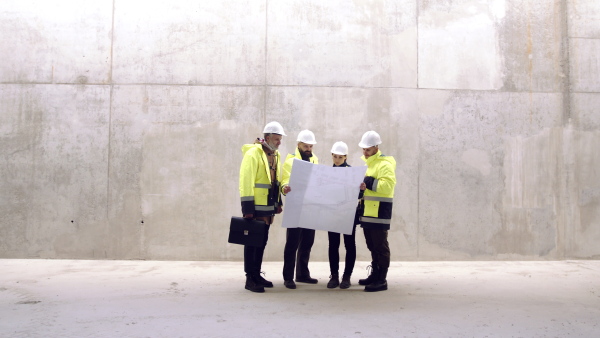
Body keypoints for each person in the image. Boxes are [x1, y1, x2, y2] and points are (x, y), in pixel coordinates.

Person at [239, 121, 291, 293]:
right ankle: (250, 279)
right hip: (256, 208)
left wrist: (278, 203)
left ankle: (256, 274)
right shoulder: (253, 153)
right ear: (267, 138)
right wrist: (247, 209)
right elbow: (246, 181)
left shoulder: (275, 155)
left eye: (280, 140)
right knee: (252, 242)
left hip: (268, 207)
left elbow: (275, 180)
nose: (279, 142)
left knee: (262, 241)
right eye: (276, 139)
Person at [357, 131, 396, 292]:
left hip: (380, 212)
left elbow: (387, 187)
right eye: (363, 149)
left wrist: (367, 182)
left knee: (380, 246)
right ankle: (375, 273)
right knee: (372, 245)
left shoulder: (384, 164)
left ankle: (382, 279)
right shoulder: (369, 164)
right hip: (368, 212)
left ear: (376, 148)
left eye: (368, 150)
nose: (365, 153)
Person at [280, 129, 319, 289]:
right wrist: (285, 188)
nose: (309, 149)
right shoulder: (290, 161)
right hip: (295, 207)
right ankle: (288, 277)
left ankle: (302, 274)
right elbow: (284, 181)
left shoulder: (314, 160)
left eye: (311, 146)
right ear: (299, 145)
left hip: (310, 207)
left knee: (307, 242)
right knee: (292, 243)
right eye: (306, 146)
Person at [326, 141, 359, 289]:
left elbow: (359, 194)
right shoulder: (326, 174)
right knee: (333, 245)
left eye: (340, 157)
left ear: (346, 157)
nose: (337, 159)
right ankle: (334, 276)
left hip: (348, 214)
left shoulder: (353, 173)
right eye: (335, 156)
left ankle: (347, 277)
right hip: (332, 214)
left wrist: (361, 188)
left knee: (349, 245)